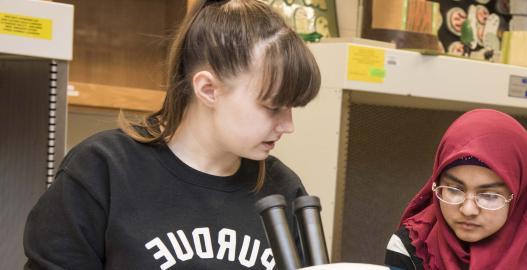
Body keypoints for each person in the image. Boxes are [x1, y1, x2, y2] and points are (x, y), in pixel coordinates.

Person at [23, 0, 320, 269]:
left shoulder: (284, 189)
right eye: (273, 107)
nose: (288, 125)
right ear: (208, 89)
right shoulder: (102, 171)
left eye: (292, 107)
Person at [385, 109, 527, 270]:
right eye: (454, 189)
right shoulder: (411, 246)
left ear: (519, 197)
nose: (468, 210)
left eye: (489, 195)